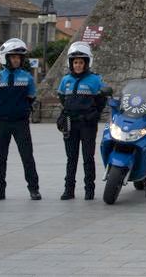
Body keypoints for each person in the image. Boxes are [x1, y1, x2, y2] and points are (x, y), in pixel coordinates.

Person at [0, 39, 40, 201]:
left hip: (20, 123)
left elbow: (31, 97)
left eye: (19, 57)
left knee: (27, 156)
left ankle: (34, 189)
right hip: (1, 123)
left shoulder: (27, 78)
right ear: (5, 58)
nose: (17, 60)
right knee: (0, 158)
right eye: (13, 57)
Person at [56, 42, 106, 201]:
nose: (78, 65)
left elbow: (101, 101)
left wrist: (93, 114)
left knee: (88, 157)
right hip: (71, 123)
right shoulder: (66, 80)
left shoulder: (95, 80)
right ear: (71, 63)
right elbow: (63, 99)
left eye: (81, 62)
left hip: (87, 124)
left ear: (86, 63)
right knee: (71, 158)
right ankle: (68, 190)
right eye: (75, 62)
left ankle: (89, 190)